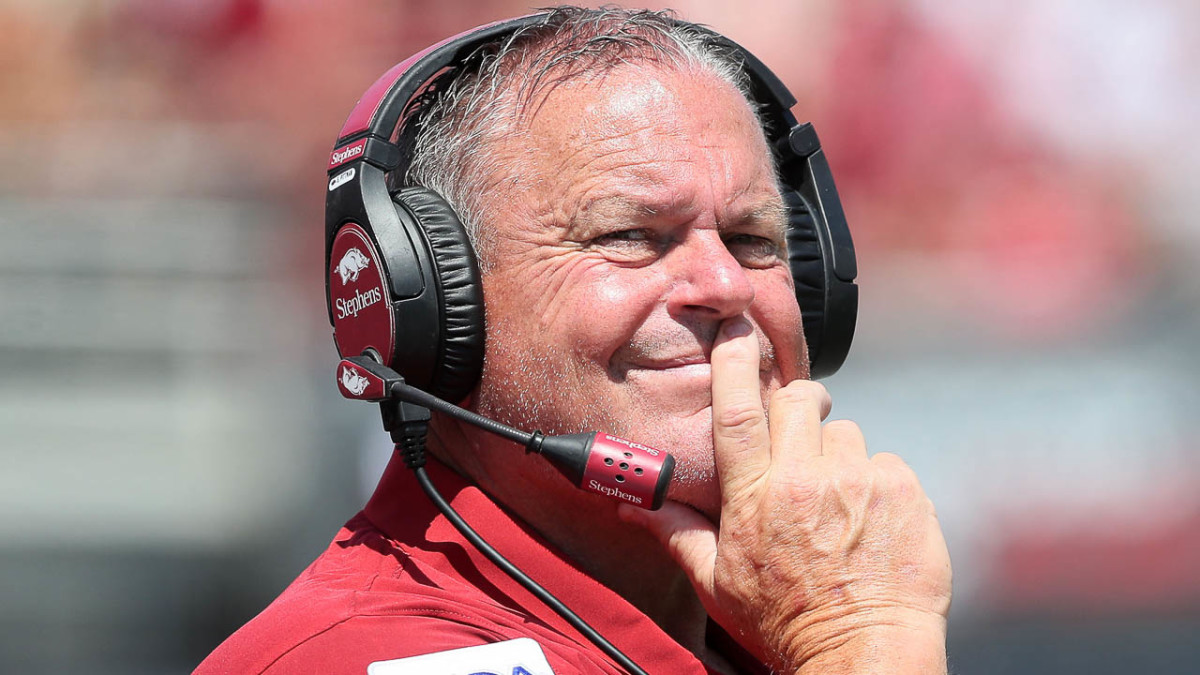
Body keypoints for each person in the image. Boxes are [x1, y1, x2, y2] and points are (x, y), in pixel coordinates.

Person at [197, 6, 951, 674]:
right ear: (428, 306)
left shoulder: (774, 628)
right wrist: (865, 639)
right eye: (630, 235)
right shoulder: (362, 657)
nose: (726, 284)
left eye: (754, 239)